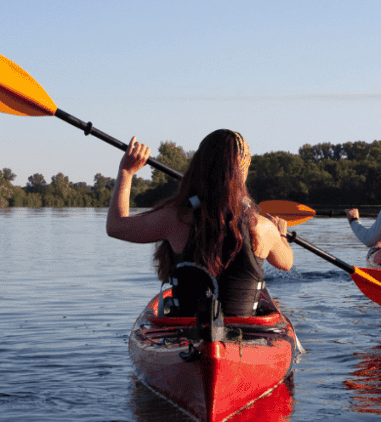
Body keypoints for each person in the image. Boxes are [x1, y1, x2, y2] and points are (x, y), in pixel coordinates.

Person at [106, 129, 293, 317]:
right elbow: (286, 263)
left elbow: (116, 226)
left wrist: (126, 172)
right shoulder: (262, 227)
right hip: (245, 335)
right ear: (243, 170)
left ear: (199, 166)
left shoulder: (175, 218)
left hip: (186, 334)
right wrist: (281, 234)